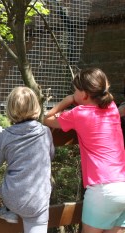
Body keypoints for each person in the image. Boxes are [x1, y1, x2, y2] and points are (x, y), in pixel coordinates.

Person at [44, 67, 125, 233]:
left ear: (85, 94)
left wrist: (67, 100)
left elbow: (47, 118)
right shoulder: (111, 108)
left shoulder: (79, 113)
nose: (74, 93)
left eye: (75, 90)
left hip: (102, 190)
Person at [0, 86, 55, 233]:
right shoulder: (45, 132)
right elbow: (51, 155)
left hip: (14, 197)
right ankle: (14, 211)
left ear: (10, 109)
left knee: (15, 190)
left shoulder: (6, 134)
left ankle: (11, 210)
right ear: (36, 107)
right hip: (39, 199)